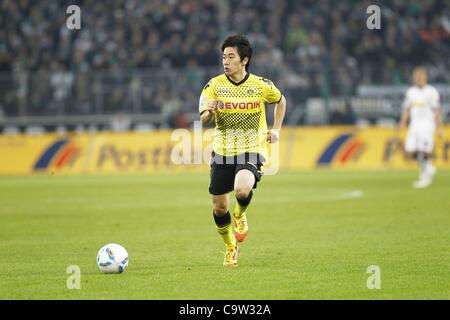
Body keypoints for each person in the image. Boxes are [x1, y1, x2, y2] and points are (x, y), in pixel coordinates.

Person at [199, 35, 287, 267]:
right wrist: (209, 111)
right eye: (223, 57)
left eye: (230, 57)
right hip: (222, 150)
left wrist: (276, 129)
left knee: (242, 188)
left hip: (252, 147)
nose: (225, 62)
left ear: (244, 60)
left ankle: (240, 214)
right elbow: (203, 120)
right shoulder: (214, 85)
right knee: (219, 207)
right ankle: (230, 247)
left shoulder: (261, 85)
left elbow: (281, 101)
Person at [398, 66, 443, 188]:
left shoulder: (432, 92)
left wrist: (439, 127)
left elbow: (436, 111)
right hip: (414, 126)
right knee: (410, 151)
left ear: (426, 78)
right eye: (417, 77)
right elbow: (406, 109)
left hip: (427, 125)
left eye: (422, 77)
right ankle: (428, 167)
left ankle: (425, 177)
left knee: (423, 151)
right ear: (414, 78)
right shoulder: (410, 92)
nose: (419, 79)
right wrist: (402, 123)